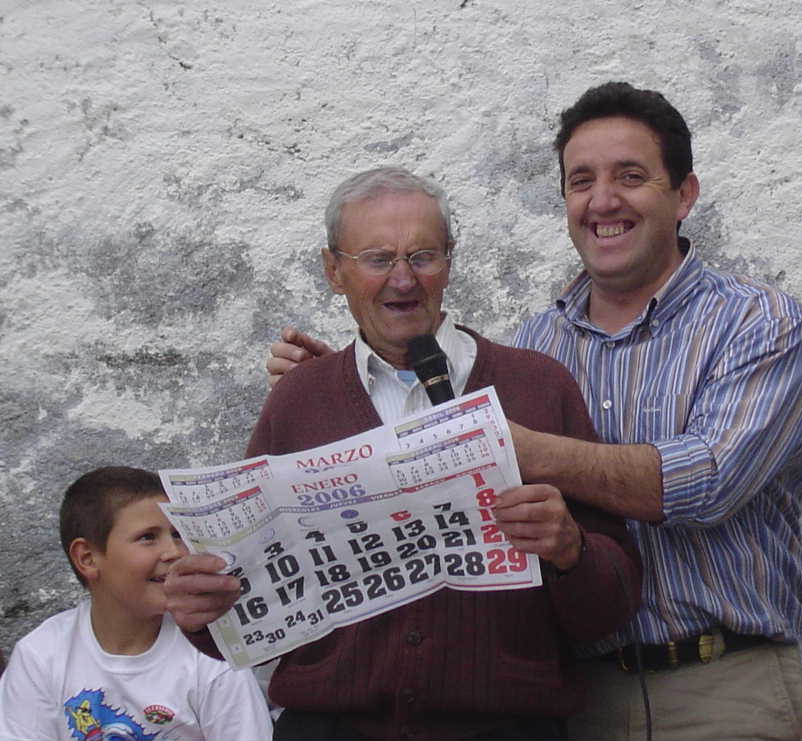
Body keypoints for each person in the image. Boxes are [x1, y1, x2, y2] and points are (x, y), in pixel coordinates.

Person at [265, 84, 802, 741]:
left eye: (630, 176)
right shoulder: (534, 348)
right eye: (580, 180)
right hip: (577, 696)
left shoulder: (756, 321)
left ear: (683, 194)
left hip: (715, 685)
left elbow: (707, 480)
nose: (602, 199)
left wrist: (512, 446)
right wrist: (360, 387)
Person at [164, 167, 642, 741]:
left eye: (422, 256)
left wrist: (572, 550)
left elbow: (613, 603)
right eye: (376, 258)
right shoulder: (298, 400)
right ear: (333, 270)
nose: (402, 280)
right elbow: (247, 605)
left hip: (507, 728)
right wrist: (201, 611)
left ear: (450, 260)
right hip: (331, 728)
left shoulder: (538, 386)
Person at [0, 466, 273, 741]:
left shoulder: (211, 656)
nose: (174, 552)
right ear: (87, 558)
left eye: (178, 535)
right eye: (147, 537)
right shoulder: (41, 657)